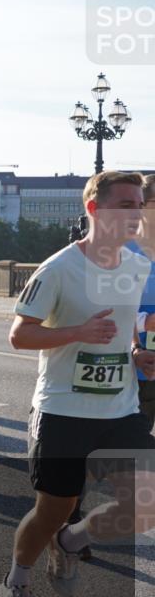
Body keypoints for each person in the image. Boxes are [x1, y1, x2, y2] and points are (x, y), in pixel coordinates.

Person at [0, 171, 155, 597]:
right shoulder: (58, 269)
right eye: (125, 205)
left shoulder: (136, 265)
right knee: (53, 509)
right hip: (63, 410)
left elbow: (120, 332)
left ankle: (72, 540)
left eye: (139, 204)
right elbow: (19, 335)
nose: (136, 213)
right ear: (94, 209)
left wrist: (135, 356)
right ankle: (16, 583)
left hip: (120, 408)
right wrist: (78, 333)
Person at [128, 173, 155, 432]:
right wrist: (145, 322)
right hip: (139, 365)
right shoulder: (124, 250)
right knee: (136, 439)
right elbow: (109, 311)